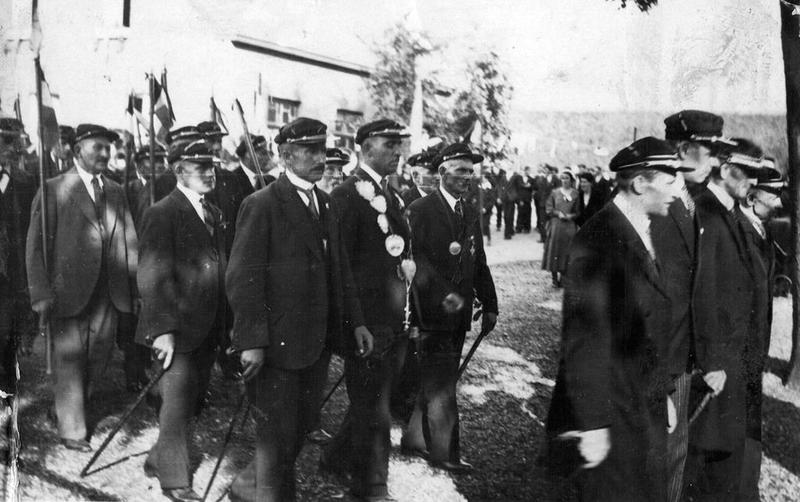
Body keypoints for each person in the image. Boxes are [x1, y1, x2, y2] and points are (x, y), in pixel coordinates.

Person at [225, 117, 373, 502]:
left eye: (322, 149)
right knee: (277, 436)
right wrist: (251, 341)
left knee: (300, 427)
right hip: (277, 344)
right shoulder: (262, 204)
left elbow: (340, 269)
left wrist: (357, 322)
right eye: (309, 150)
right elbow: (243, 278)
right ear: (286, 156)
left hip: (316, 343)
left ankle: (246, 488)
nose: (320, 158)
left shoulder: (326, 203)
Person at [545, 136, 688, 502]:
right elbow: (583, 340)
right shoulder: (599, 239)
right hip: (611, 414)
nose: (677, 190)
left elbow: (646, 327)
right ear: (640, 183)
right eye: (670, 180)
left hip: (640, 403)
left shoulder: (642, 229)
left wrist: (663, 393)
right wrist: (592, 424)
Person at [26, 124, 138, 452]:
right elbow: (35, 246)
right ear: (77, 151)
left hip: (109, 291)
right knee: (69, 359)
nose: (104, 154)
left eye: (107, 148)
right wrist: (40, 292)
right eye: (97, 147)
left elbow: (129, 240)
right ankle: (73, 430)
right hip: (67, 292)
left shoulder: (116, 190)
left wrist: (135, 286)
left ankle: (64, 409)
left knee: (99, 356)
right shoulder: (54, 188)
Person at [321, 119, 412, 501]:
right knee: (374, 411)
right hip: (368, 323)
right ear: (365, 146)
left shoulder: (390, 193)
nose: (397, 151)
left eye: (398, 144)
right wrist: (355, 323)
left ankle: (335, 457)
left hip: (392, 318)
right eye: (389, 143)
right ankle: (370, 488)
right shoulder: (347, 195)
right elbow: (339, 268)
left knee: (374, 402)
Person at [650, 109, 736, 502]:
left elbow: (700, 289)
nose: (716, 162)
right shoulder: (657, 206)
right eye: (711, 151)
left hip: (680, 362)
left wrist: (710, 358)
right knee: (657, 462)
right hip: (659, 366)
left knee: (674, 457)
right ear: (684, 149)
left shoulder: (691, 201)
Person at [135, 139, 226, 502]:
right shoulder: (162, 212)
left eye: (211, 165)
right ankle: (174, 480)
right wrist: (163, 331)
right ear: (178, 171)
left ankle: (158, 459)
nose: (209, 172)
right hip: (177, 327)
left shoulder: (212, 211)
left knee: (191, 399)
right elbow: (152, 274)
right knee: (175, 404)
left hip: (207, 325)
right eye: (199, 167)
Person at [401, 142, 498, 474]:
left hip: (459, 315)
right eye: (461, 170)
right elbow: (415, 260)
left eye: (471, 171)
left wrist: (490, 304)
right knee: (442, 385)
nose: (467, 177)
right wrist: (445, 296)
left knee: (437, 377)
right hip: (431, 312)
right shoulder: (420, 209)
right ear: (442, 172)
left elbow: (478, 261)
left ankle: (414, 437)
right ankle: (445, 453)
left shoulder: (468, 211)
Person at [684, 139, 765, 501]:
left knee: (724, 457)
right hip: (717, 366)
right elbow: (703, 293)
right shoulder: (706, 212)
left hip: (734, 359)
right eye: (748, 172)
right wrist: (711, 362)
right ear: (727, 169)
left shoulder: (728, 212)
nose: (754, 182)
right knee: (704, 461)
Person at [734, 164, 784, 500]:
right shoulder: (737, 232)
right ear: (752, 198)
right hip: (738, 352)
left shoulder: (762, 233)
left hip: (754, 350)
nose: (779, 203)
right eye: (774, 195)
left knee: (749, 423)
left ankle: (746, 489)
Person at [0, 118, 36, 454]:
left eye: (15, 142)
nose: (12, 149)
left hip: (12, 281)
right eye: (5, 141)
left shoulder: (25, 183)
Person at [542, 170, 578, 287]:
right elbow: (549, 208)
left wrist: (571, 216)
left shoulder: (576, 194)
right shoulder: (555, 193)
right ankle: (554, 278)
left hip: (569, 226)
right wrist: (558, 213)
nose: (564, 180)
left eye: (567, 178)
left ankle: (564, 277)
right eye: (562, 178)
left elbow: (579, 210)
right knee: (555, 250)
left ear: (571, 180)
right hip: (556, 225)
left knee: (567, 250)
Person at [533, 164, 560, 242]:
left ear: (550, 171)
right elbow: (540, 190)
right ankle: (543, 238)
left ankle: (552, 238)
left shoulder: (556, 179)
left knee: (552, 221)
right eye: (544, 169)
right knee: (542, 221)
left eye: (546, 169)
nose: (545, 171)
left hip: (552, 204)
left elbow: (558, 191)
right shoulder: (543, 179)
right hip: (543, 203)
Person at [511, 165, 534, 233]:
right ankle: (519, 228)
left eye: (529, 171)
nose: (529, 172)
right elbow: (516, 188)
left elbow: (535, 187)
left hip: (528, 199)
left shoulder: (531, 179)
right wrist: (519, 199)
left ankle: (527, 228)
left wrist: (530, 186)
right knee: (520, 213)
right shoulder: (519, 178)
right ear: (525, 171)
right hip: (520, 198)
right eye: (528, 171)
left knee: (528, 214)